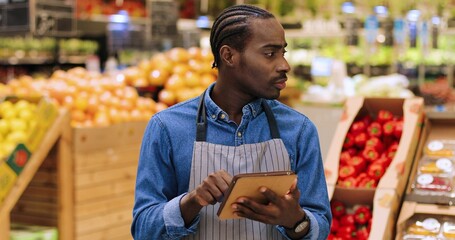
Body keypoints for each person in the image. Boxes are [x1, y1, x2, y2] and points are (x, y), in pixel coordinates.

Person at [131, 4, 331, 240]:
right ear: (229, 56)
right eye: (270, 53)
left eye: (283, 53)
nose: (284, 65)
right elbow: (143, 229)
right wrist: (192, 202)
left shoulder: (299, 130)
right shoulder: (167, 128)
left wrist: (296, 221)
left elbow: (321, 223)